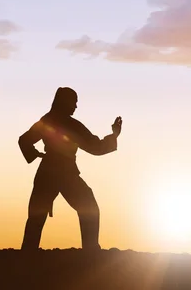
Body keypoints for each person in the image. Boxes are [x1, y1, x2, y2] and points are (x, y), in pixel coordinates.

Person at [18, 87, 122, 251]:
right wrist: (114, 136)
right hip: (66, 173)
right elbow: (94, 147)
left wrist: (34, 154)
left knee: (36, 218)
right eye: (74, 103)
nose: (75, 107)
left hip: (46, 172)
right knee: (89, 207)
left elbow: (24, 140)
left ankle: (27, 253)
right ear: (65, 103)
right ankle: (91, 250)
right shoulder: (71, 125)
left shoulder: (46, 120)